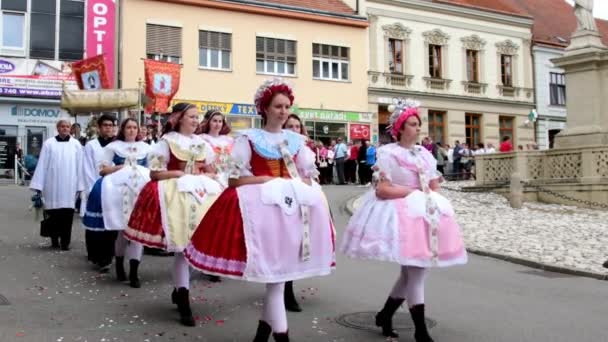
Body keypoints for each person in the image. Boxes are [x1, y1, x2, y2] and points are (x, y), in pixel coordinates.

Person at [184, 79, 335, 341]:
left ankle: (262, 334)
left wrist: (298, 183)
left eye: (287, 106)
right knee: (275, 279)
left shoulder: (296, 140)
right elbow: (233, 180)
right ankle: (281, 336)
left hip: (291, 211)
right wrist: (263, 180)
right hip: (264, 212)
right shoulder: (248, 139)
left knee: (277, 278)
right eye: (278, 106)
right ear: (265, 108)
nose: (284, 111)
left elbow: (307, 175)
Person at [341, 99, 467, 341]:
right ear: (399, 128)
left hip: (423, 217)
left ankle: (385, 315)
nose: (417, 128)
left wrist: (434, 203)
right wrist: (414, 193)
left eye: (418, 123)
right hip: (400, 216)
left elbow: (433, 187)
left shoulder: (425, 155)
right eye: (412, 123)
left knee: (411, 272)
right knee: (416, 271)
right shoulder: (388, 153)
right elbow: (382, 190)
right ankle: (420, 330)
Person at [124, 103, 221, 327]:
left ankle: (180, 289)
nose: (196, 121)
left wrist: (207, 175)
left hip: (201, 195)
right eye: (192, 117)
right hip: (177, 197)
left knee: (196, 249)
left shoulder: (202, 143)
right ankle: (184, 299)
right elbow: (155, 173)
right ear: (179, 118)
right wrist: (177, 173)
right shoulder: (167, 142)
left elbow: (210, 168)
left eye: (198, 118)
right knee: (181, 249)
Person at [94, 119, 151, 287]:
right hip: (121, 192)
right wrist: (118, 168)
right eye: (129, 127)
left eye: (135, 127)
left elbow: (153, 170)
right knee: (122, 231)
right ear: (123, 129)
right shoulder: (114, 146)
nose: (132, 130)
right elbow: (102, 170)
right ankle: (119, 264)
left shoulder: (146, 148)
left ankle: (134, 272)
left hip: (141, 192)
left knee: (138, 233)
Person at [30, 120, 84, 250]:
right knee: (53, 213)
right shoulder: (49, 144)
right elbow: (42, 163)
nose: (65, 128)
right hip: (51, 184)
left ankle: (65, 242)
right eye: (62, 126)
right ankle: (54, 240)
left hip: (69, 184)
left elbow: (80, 165)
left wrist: (81, 185)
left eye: (67, 126)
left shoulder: (76, 144)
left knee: (67, 214)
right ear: (58, 128)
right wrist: (39, 184)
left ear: (70, 129)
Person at [81, 114, 117, 271]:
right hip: (95, 188)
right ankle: (95, 255)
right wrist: (92, 189)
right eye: (105, 125)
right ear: (99, 127)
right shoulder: (91, 145)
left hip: (113, 189)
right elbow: (87, 168)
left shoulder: (118, 145)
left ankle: (108, 256)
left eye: (111, 125)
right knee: (95, 225)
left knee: (110, 224)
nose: (108, 128)